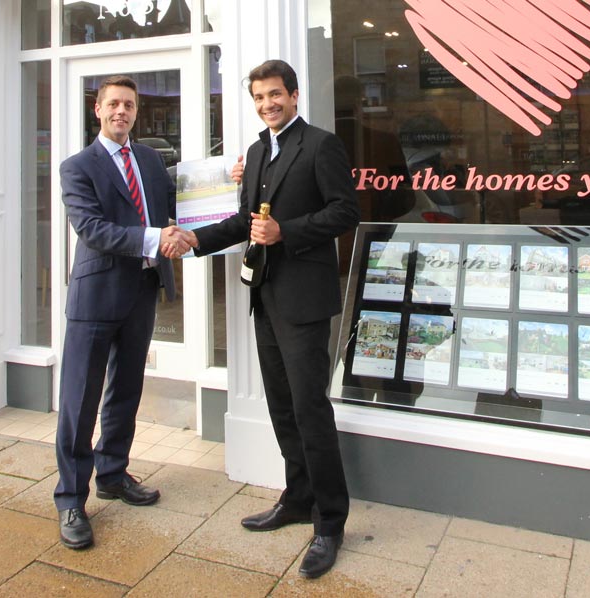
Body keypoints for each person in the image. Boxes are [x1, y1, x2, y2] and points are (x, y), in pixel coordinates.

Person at [176, 59, 360, 579]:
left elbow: (346, 211)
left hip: (304, 297)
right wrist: (196, 239)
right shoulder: (257, 151)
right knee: (282, 405)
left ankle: (330, 521)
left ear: (295, 95)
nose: (267, 104)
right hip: (266, 295)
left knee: (309, 408)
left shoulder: (320, 145)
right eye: (259, 97)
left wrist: (287, 232)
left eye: (275, 95)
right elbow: (243, 220)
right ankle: (298, 497)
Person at [54, 75, 192, 550]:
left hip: (141, 291)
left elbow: (179, 205)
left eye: (128, 105)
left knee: (126, 390)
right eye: (113, 104)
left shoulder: (151, 160)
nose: (121, 112)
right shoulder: (77, 167)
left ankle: (112, 473)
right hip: (95, 298)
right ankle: (70, 497)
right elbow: (92, 228)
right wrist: (156, 239)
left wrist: (228, 180)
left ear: (136, 111)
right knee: (79, 399)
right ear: (98, 110)